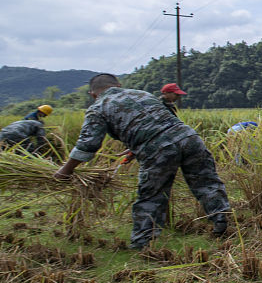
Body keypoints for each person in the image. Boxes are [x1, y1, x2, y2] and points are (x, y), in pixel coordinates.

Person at [53, 74, 230, 250]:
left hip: (158, 148)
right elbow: (162, 123)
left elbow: (87, 144)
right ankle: (222, 219)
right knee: (206, 181)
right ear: (119, 85)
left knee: (152, 195)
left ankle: (142, 243)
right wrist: (135, 149)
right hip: (189, 137)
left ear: (92, 94)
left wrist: (65, 171)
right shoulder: (142, 94)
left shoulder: (98, 107)